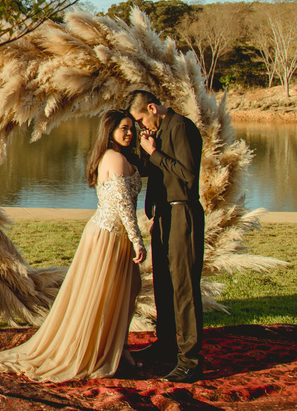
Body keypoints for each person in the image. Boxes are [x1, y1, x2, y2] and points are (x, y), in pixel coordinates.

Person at [0, 110, 146, 382]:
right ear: (110, 131)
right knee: (105, 295)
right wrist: (137, 240)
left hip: (114, 236)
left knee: (128, 291)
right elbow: (124, 206)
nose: (129, 133)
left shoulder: (117, 157)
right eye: (124, 128)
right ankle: (96, 350)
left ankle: (118, 347)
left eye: (131, 128)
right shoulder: (115, 158)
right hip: (109, 236)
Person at [128, 89, 206, 383]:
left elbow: (187, 175)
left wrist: (154, 152)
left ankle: (190, 360)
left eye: (140, 119)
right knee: (162, 282)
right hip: (164, 215)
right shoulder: (157, 132)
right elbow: (158, 171)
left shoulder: (181, 127)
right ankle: (165, 346)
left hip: (183, 213)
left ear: (152, 107)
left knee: (183, 287)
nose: (139, 125)